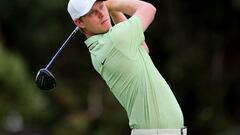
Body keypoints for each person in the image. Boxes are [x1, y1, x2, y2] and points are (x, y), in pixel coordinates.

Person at [67, 0, 187, 134]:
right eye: (92, 13)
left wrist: (112, 10)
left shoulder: (104, 46)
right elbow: (148, 9)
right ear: (79, 22)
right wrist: (111, 4)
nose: (101, 14)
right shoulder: (115, 41)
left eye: (101, 6)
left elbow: (143, 48)